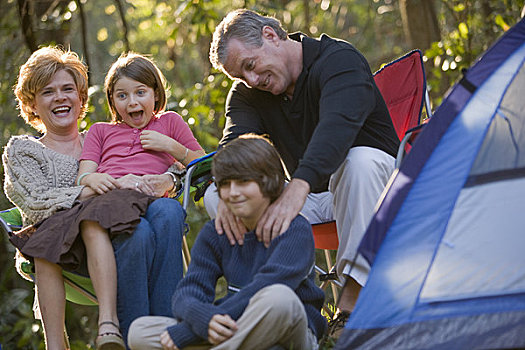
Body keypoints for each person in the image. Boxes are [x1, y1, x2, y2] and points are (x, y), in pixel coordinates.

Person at [205, 9, 400, 313]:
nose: (252, 80)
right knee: (219, 194)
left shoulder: (339, 60)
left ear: (270, 35)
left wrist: (298, 187)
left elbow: (335, 130)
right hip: (309, 198)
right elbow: (233, 147)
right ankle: (287, 307)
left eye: (250, 65)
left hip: (377, 193)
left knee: (359, 161)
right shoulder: (248, 92)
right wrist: (224, 190)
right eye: (241, 76)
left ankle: (353, 302)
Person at [2, 47, 196, 349]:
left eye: (68, 89)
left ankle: (163, 330)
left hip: (122, 232)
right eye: (47, 92)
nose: (60, 97)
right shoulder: (24, 150)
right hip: (64, 252)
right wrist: (103, 187)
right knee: (113, 232)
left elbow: (176, 167)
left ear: (81, 98)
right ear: (32, 104)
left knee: (153, 222)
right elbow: (36, 202)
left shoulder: (103, 138)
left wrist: (169, 178)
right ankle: (104, 337)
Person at [127, 134, 327, 350]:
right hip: (237, 328)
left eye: (243, 182)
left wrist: (188, 332)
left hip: (289, 329)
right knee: (140, 331)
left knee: (279, 298)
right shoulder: (216, 232)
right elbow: (188, 292)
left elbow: (266, 286)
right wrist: (206, 320)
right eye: (225, 184)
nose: (233, 193)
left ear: (270, 181)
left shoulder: (294, 228)